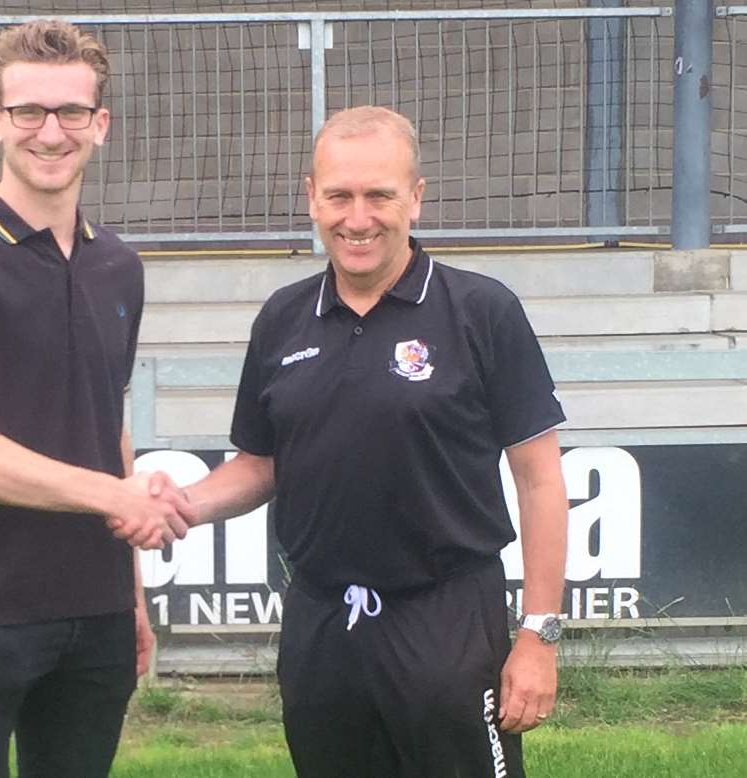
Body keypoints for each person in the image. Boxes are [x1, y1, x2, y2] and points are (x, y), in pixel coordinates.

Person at [128, 106, 568, 777]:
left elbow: (538, 479)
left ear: (414, 198)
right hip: (322, 620)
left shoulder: (481, 311)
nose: (356, 219)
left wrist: (538, 634)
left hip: (445, 614)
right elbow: (259, 465)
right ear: (311, 196)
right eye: (338, 196)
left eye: (378, 196)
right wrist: (179, 503)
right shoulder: (282, 318)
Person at [0, 19, 192, 778]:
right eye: (29, 111)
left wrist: (128, 596)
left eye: (70, 113)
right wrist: (116, 495)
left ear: (101, 126)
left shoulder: (118, 267)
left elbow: (106, 425)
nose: (49, 133)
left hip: (94, 614)